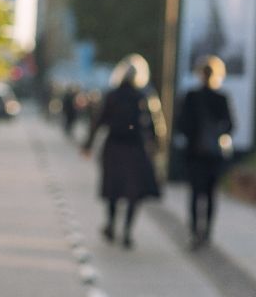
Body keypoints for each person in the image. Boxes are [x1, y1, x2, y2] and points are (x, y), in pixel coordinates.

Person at [81, 55, 166, 249]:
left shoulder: (112, 95)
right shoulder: (145, 96)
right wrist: (158, 147)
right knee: (133, 193)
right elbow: (156, 125)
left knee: (113, 189)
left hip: (114, 147)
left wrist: (88, 145)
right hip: (136, 148)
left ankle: (111, 224)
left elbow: (98, 121)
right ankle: (127, 231)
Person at [175, 56, 234, 249]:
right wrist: (216, 133)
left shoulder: (192, 96)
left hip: (195, 152)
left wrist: (195, 134)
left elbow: (181, 124)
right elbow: (230, 125)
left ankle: (195, 231)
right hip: (213, 153)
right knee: (209, 194)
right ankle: (206, 232)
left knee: (195, 194)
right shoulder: (221, 98)